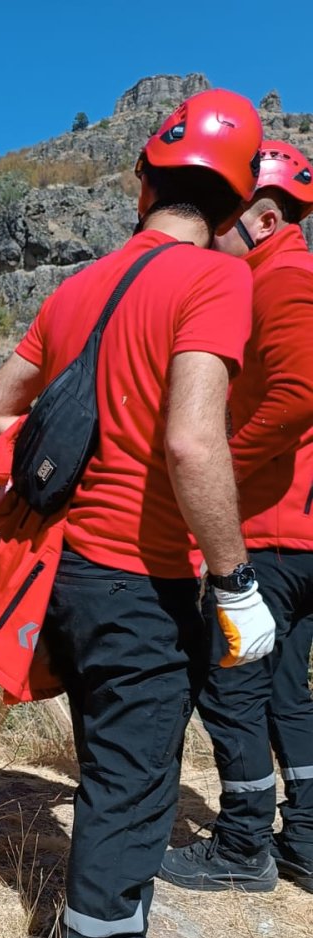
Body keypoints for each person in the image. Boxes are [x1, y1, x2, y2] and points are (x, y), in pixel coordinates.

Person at [0, 89, 275, 938]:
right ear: (234, 206)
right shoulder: (217, 277)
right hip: (140, 582)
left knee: (119, 770)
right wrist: (235, 581)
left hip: (68, 572)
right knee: (131, 785)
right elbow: (192, 441)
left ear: (144, 183)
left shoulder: (77, 289)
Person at [160, 141, 313, 894]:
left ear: (266, 220)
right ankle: (306, 840)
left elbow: (298, 394)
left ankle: (243, 845)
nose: (213, 232)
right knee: (284, 688)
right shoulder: (282, 276)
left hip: (277, 532)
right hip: (297, 531)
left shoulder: (283, 279)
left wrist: (223, 466)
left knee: (233, 689)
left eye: (225, 219)